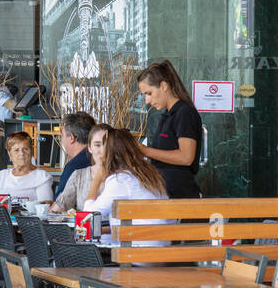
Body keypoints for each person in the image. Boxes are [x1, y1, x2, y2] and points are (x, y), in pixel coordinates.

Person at [84, 128, 171, 246]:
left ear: (109, 152)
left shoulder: (120, 180)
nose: (100, 151)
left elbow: (87, 218)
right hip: (160, 249)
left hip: (138, 255)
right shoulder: (148, 176)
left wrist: (97, 180)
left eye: (103, 146)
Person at [137, 59, 204, 198]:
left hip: (182, 199)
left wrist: (146, 151)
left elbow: (186, 157)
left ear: (163, 86)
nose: (147, 100)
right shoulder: (166, 115)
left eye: (149, 93)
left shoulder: (184, 113)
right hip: (165, 196)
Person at [0, 131, 53, 202]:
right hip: (0, 213)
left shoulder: (42, 177)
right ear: (9, 154)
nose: (21, 153)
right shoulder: (1, 176)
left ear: (31, 151)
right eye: (16, 150)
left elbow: (46, 208)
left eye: (25, 149)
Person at [54, 123, 110, 212]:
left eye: (107, 145)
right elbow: (59, 207)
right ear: (89, 148)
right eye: (97, 145)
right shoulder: (79, 175)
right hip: (84, 225)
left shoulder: (123, 176)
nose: (102, 151)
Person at [53, 111, 95, 198]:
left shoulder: (74, 166)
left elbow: (60, 203)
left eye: (63, 135)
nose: (62, 139)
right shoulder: (101, 158)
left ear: (72, 138)